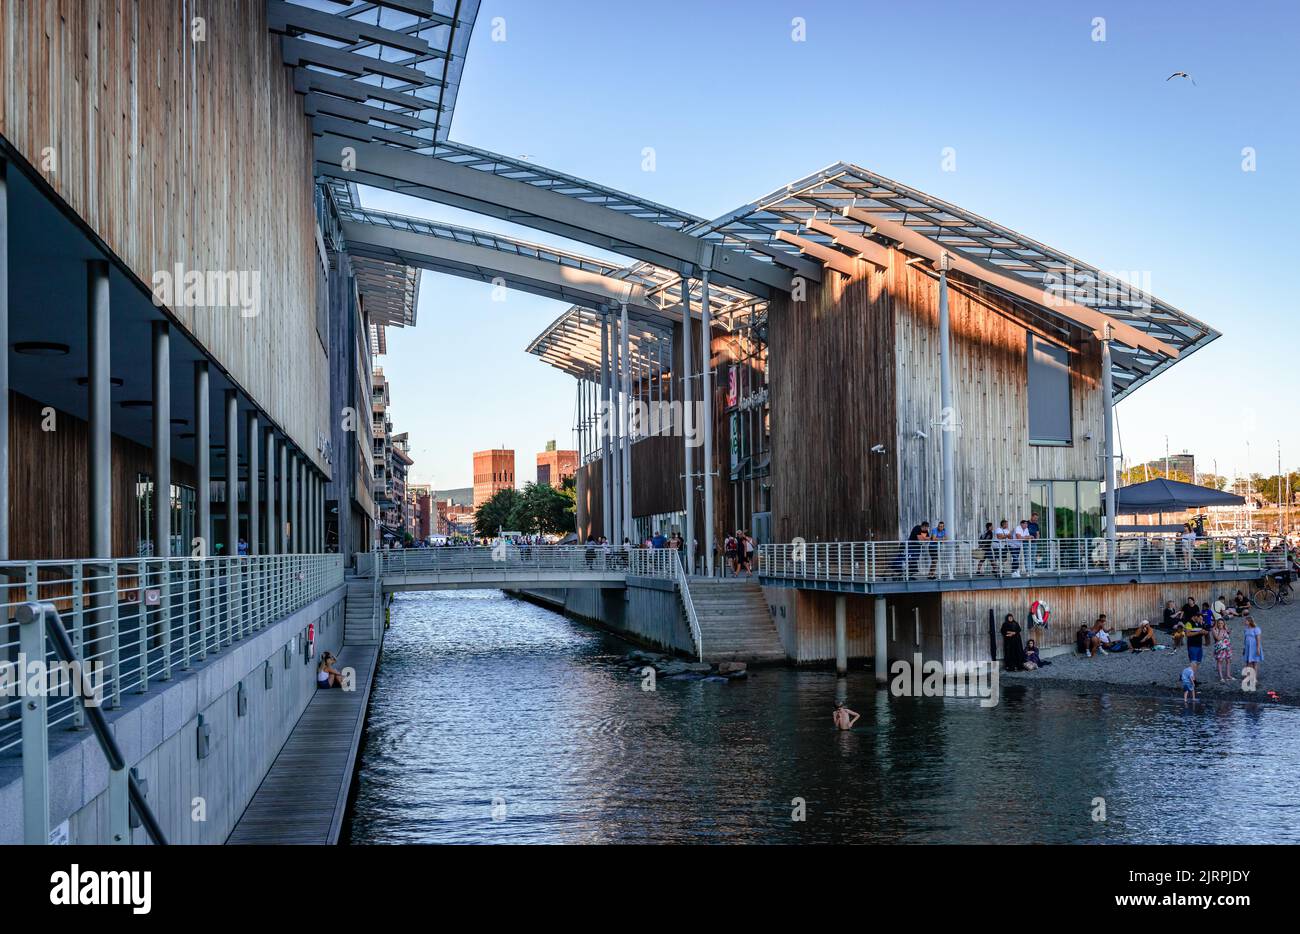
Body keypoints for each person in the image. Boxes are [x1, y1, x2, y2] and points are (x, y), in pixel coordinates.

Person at [1212, 618, 1233, 682]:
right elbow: (1218, 638)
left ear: (1224, 623)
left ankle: (1228, 675)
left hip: (1227, 647)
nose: (1220, 624)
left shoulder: (1225, 629)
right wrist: (1221, 630)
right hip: (1220, 648)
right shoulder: (1214, 629)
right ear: (1217, 624)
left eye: (1222, 623)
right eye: (1219, 623)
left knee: (1228, 661)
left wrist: (1228, 631)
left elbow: (1227, 636)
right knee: (1220, 661)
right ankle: (1221, 677)